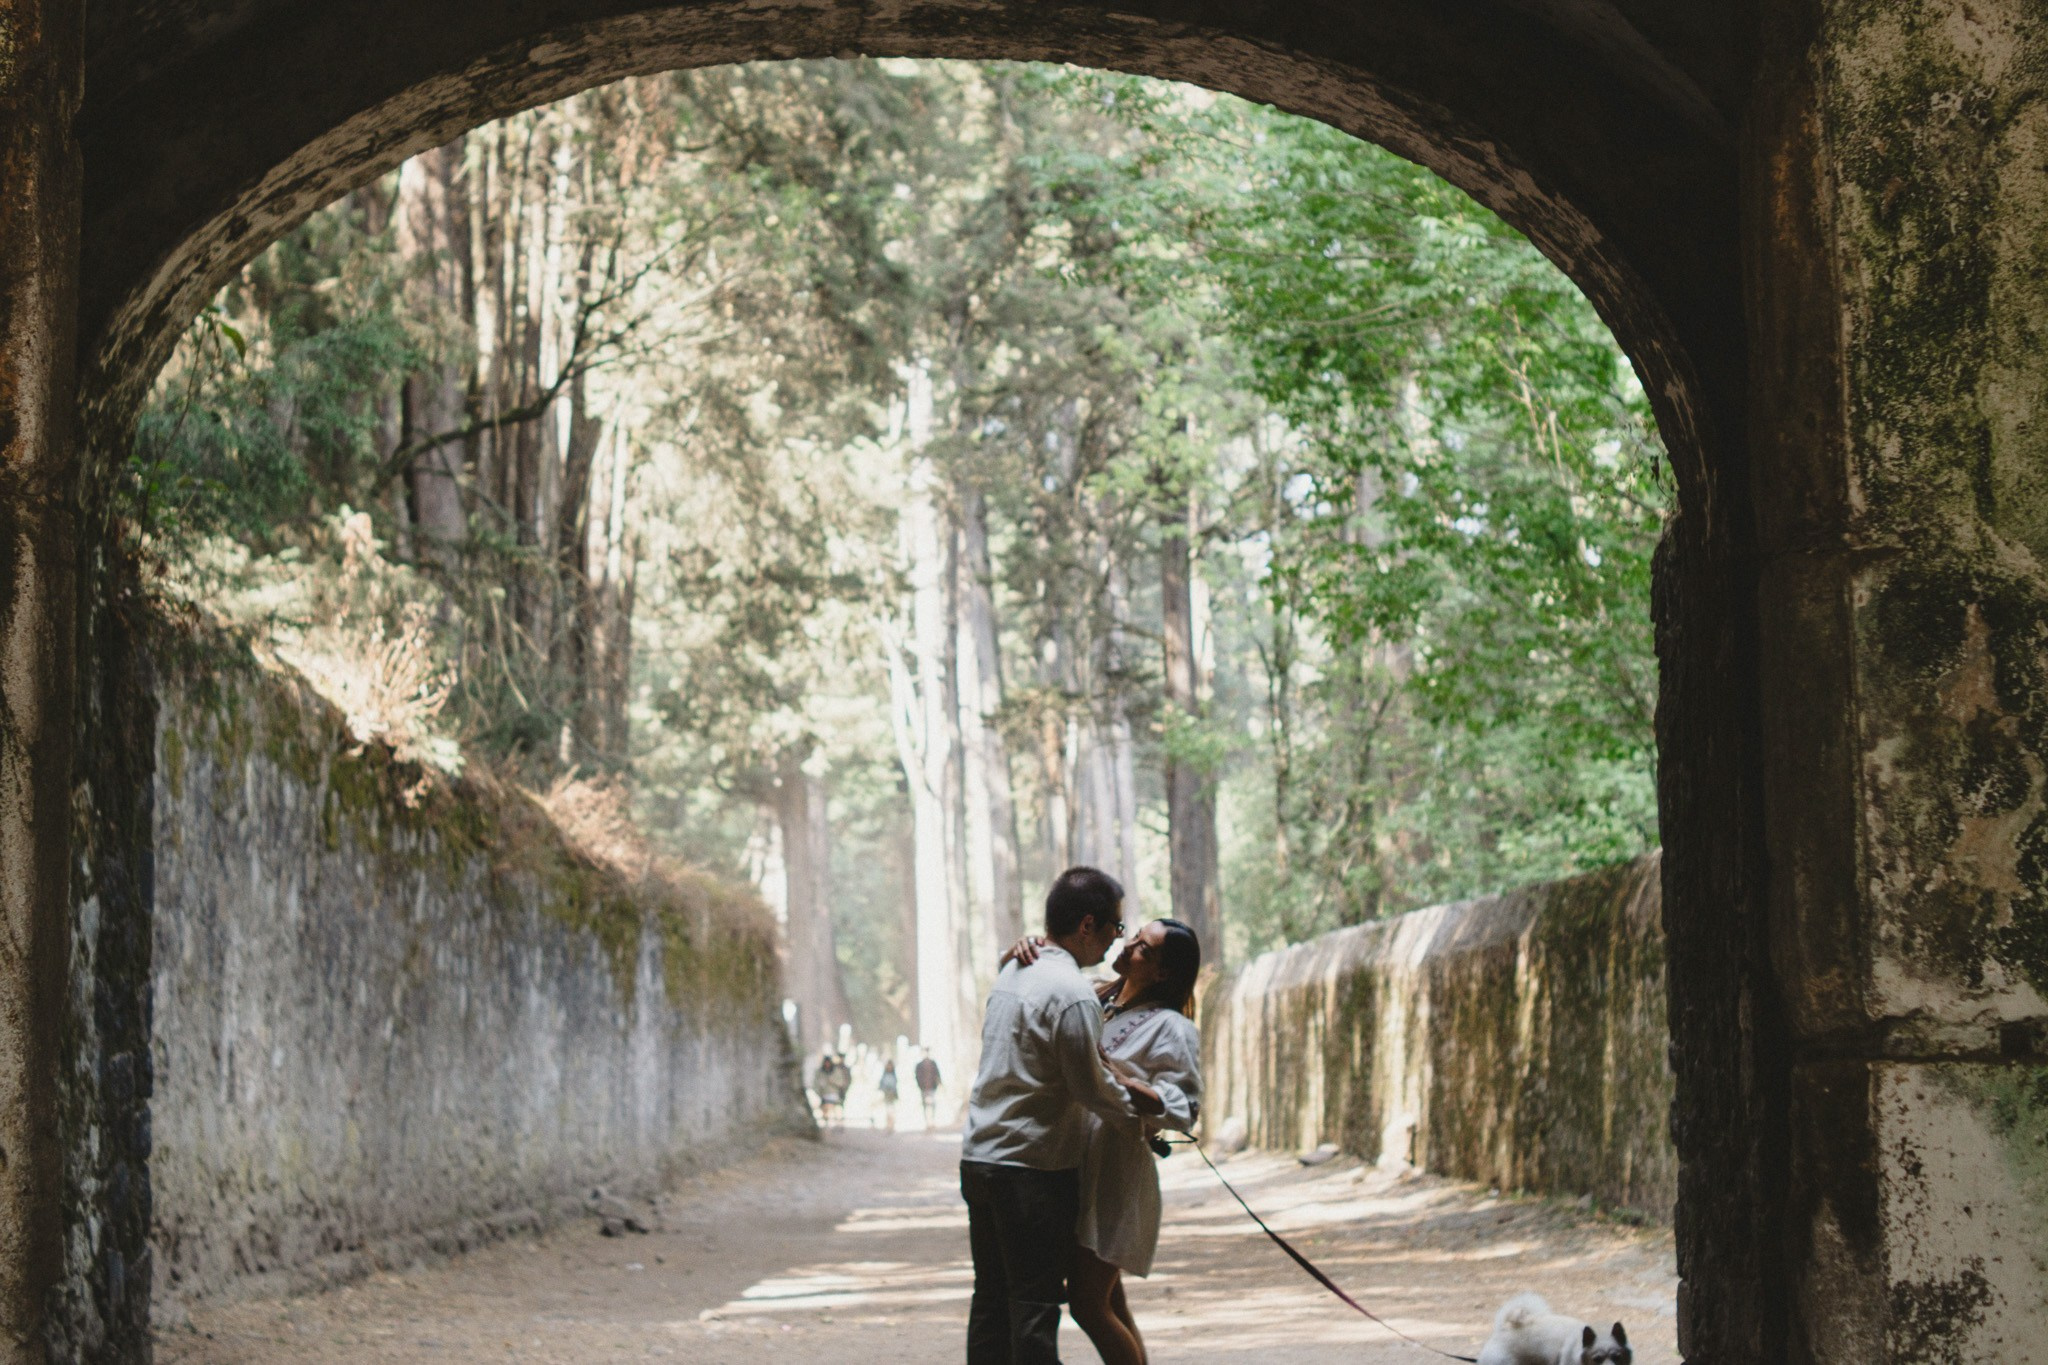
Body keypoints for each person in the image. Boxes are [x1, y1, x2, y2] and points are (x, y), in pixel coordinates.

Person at [960, 867, 1164, 1365]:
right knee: (1034, 1308)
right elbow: (1092, 1090)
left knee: (991, 1302)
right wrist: (1142, 1118)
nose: (1117, 939)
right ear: (1088, 925)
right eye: (1116, 927)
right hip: (1031, 1171)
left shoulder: (1013, 971)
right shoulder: (1072, 993)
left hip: (981, 1159)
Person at [1005, 919, 1204, 1365]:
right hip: (1072, 1160)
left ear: (1162, 972)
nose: (1128, 946)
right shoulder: (1093, 995)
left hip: (1116, 1170)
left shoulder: (1172, 1027)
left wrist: (1123, 1081)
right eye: (1134, 936)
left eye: (1144, 949)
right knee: (1110, 1300)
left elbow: (1185, 1106)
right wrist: (1023, 949)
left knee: (1088, 1303)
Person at [914, 1047, 942, 1126]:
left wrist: (939, 1083)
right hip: (923, 1088)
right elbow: (917, 1076)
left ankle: (932, 1120)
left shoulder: (933, 1063)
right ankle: (927, 1121)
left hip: (932, 1087)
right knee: (925, 1105)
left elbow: (937, 1073)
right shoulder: (919, 1065)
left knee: (933, 1104)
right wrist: (920, 1085)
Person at [879, 1057, 901, 1132]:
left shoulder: (893, 1075)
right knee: (887, 1109)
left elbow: (895, 1084)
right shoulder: (884, 1074)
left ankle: (892, 1124)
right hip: (886, 1093)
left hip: (892, 1094)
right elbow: (881, 1084)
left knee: (891, 1109)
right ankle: (888, 1124)